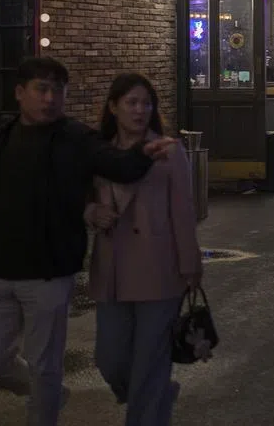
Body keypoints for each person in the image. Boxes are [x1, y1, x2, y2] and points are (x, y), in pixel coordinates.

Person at [0, 57, 175, 426]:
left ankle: (44, 410)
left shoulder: (75, 138)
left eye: (58, 91)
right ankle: (50, 395)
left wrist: (143, 154)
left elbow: (117, 164)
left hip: (48, 272)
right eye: (41, 89)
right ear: (20, 93)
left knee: (45, 364)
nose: (50, 99)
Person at [86, 74, 202, 426]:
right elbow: (80, 196)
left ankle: (148, 406)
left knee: (150, 364)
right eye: (131, 103)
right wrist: (92, 212)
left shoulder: (168, 151)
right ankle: (152, 395)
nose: (139, 110)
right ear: (113, 107)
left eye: (146, 103)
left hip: (159, 269)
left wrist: (190, 266)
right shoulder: (99, 152)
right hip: (112, 271)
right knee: (111, 358)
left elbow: (184, 212)